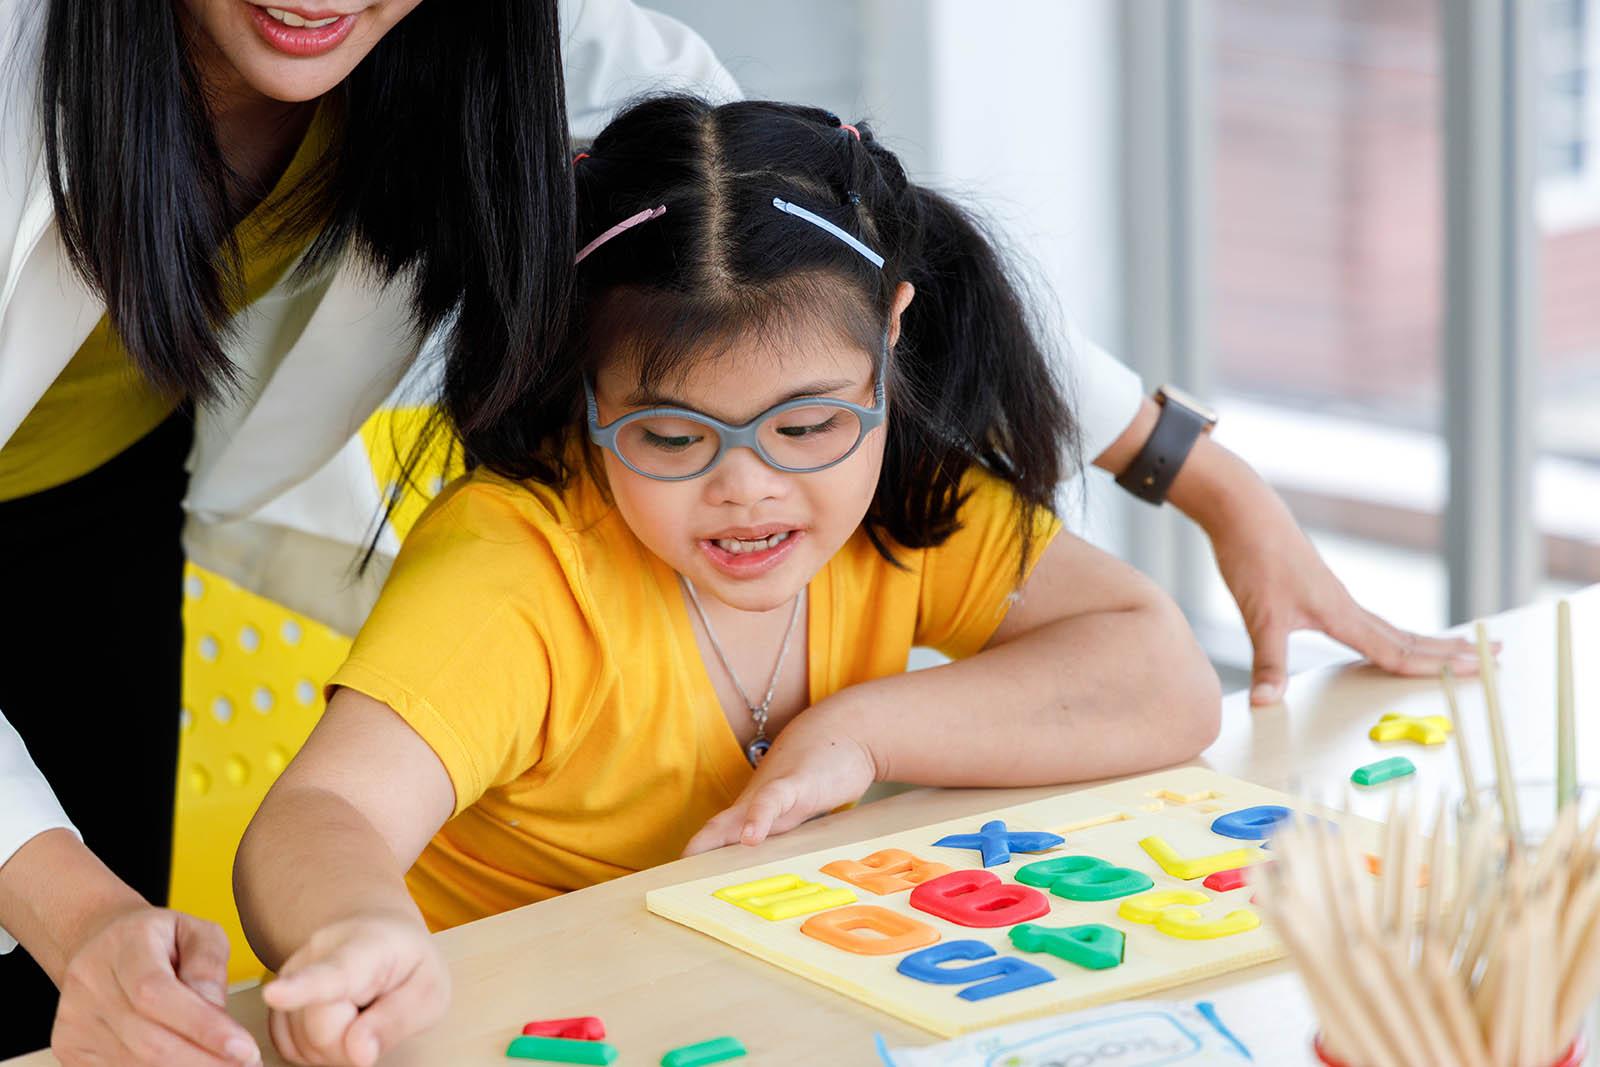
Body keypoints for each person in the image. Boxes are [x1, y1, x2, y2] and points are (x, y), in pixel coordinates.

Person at [233, 95, 1224, 1067]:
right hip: (517, 1027)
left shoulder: (898, 503)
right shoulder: (520, 568)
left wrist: (857, 733)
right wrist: (358, 926)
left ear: (890, 336)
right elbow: (322, 813)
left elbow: (1159, 675)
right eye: (670, 434)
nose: (748, 488)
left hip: (766, 1010)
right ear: (587, 383)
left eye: (806, 425)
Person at [0, 0, 737, 1061]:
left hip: (95, 506)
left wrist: (1049, 424)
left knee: (84, 1011)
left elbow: (791, 208)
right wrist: (79, 918)